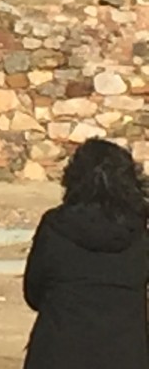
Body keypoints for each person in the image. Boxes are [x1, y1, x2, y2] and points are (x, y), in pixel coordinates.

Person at [22, 139, 149, 369]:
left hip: (58, 352)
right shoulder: (138, 233)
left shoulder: (55, 226)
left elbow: (33, 292)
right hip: (125, 355)